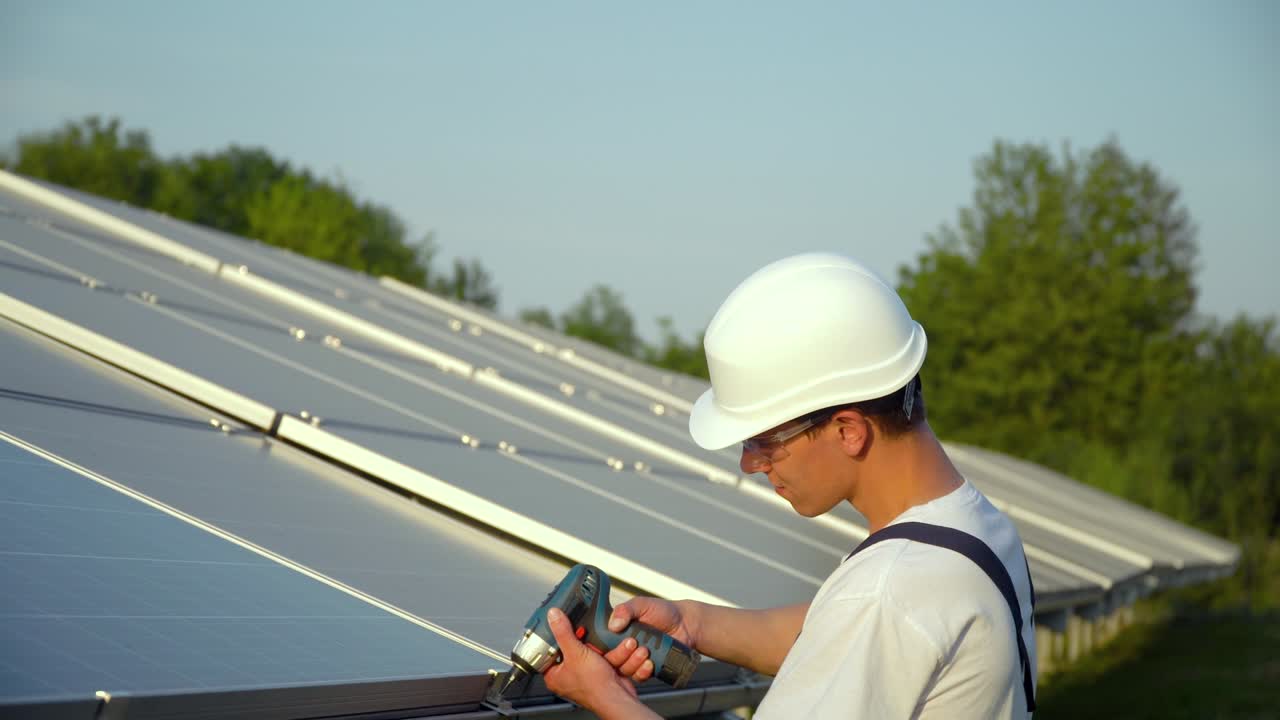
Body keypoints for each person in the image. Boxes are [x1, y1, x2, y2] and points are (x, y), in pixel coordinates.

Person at [543, 252, 1037, 719]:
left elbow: (863, 619)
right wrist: (691, 623)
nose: (749, 463)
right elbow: (828, 634)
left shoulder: (887, 590)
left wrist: (606, 698)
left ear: (848, 431)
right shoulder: (972, 529)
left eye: (763, 440)